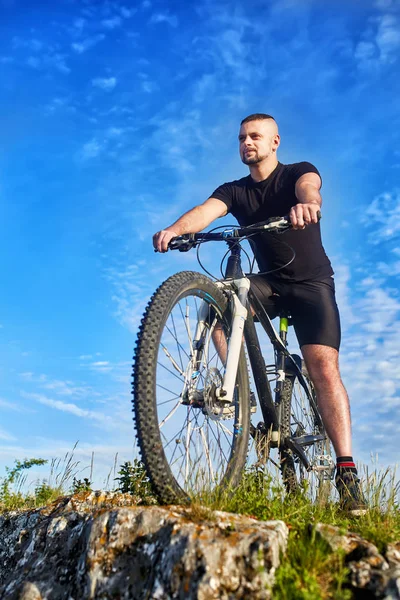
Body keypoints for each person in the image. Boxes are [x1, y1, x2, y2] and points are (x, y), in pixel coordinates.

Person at [153, 113, 367, 514]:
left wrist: (308, 204)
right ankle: (238, 391)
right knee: (219, 302)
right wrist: (175, 229)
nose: (247, 143)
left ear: (275, 142)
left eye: (255, 136)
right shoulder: (234, 191)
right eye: (241, 138)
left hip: (310, 285)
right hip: (267, 283)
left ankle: (346, 469)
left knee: (323, 368)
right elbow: (205, 211)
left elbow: (311, 188)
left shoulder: (297, 174)